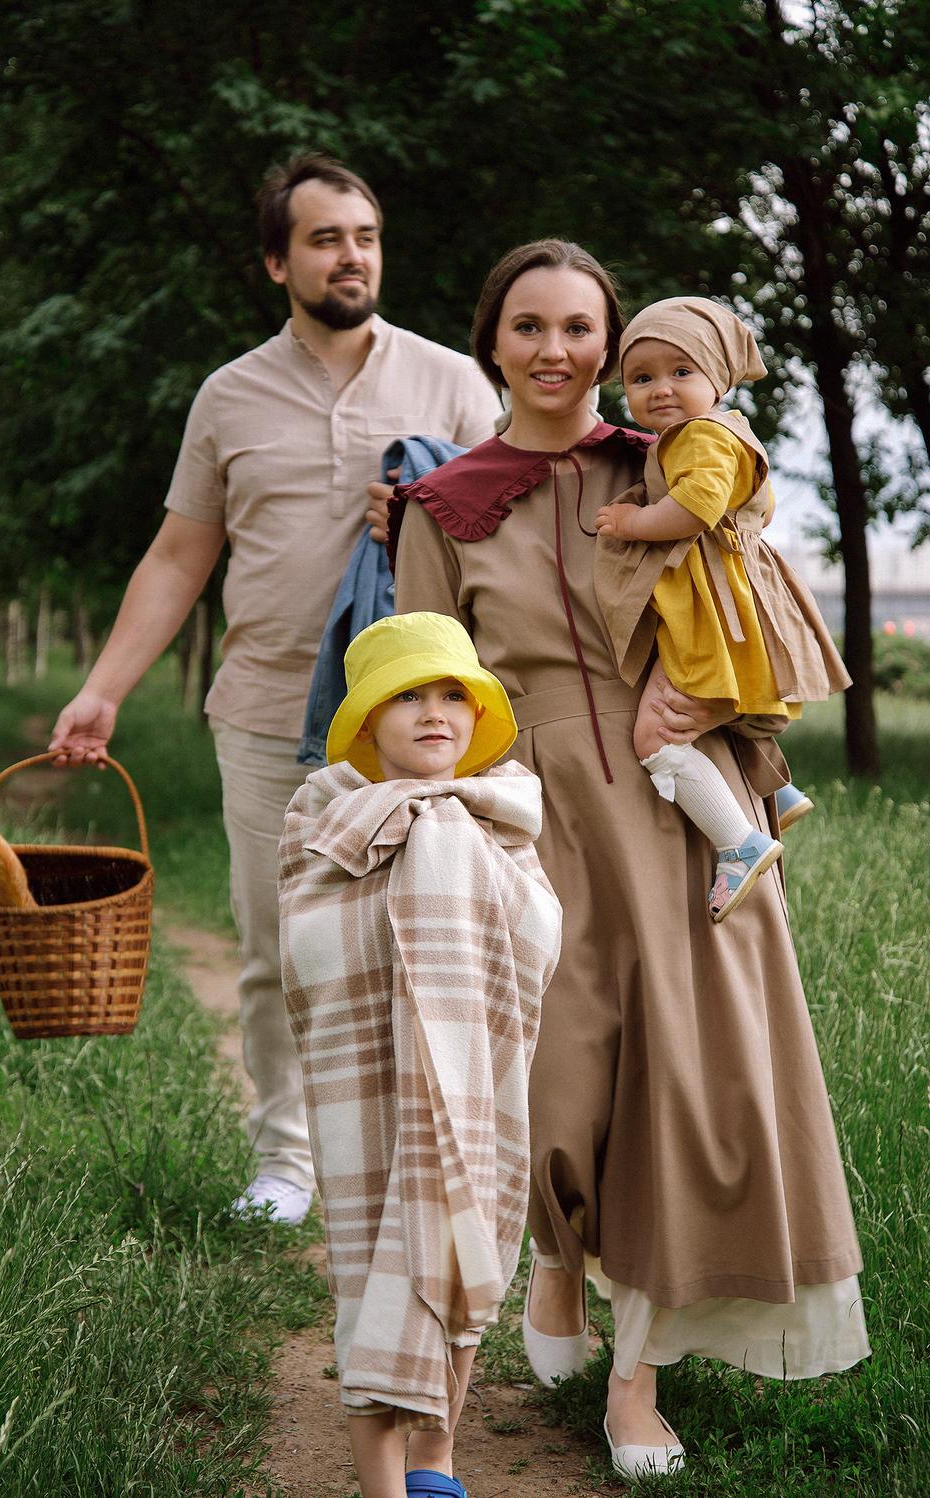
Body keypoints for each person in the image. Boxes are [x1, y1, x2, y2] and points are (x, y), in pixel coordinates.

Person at [388, 240, 869, 1482]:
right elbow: (423, 678)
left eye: (580, 329)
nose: (557, 351)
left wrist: (693, 684)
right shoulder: (443, 504)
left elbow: (753, 591)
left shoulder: (672, 460)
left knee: (681, 1083)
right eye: (529, 327)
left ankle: (637, 1379)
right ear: (491, 340)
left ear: (612, 344)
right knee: (551, 1082)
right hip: (527, 801)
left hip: (679, 793)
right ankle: (556, 1262)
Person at [48, 152, 499, 1225]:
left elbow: (519, 545)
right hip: (261, 715)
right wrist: (103, 690)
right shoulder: (229, 395)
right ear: (275, 262)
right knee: (276, 946)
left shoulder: (452, 382)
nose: (351, 255)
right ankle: (287, 1162)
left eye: (365, 236)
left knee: (421, 946)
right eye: (325, 238)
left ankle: (411, 1163)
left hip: (420, 725)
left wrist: (440, 521)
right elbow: (177, 556)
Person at [278, 612, 562, 1498]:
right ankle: (379, 1482)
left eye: (453, 695)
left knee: (464, 1245)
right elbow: (310, 944)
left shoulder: (502, 815)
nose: (435, 713)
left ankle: (437, 1459)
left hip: (475, 1077)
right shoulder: (328, 815)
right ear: (365, 722)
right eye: (406, 697)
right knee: (372, 1261)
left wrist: (449, 859)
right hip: (367, 1082)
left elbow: (537, 933)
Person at [592, 297, 849, 919]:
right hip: (728, 600)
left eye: (681, 372)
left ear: (718, 378)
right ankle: (776, 790)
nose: (660, 389)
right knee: (725, 706)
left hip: (710, 609)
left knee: (657, 733)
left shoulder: (703, 436)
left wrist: (633, 520)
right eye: (641, 377)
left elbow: (697, 508)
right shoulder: (712, 432)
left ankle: (738, 842)